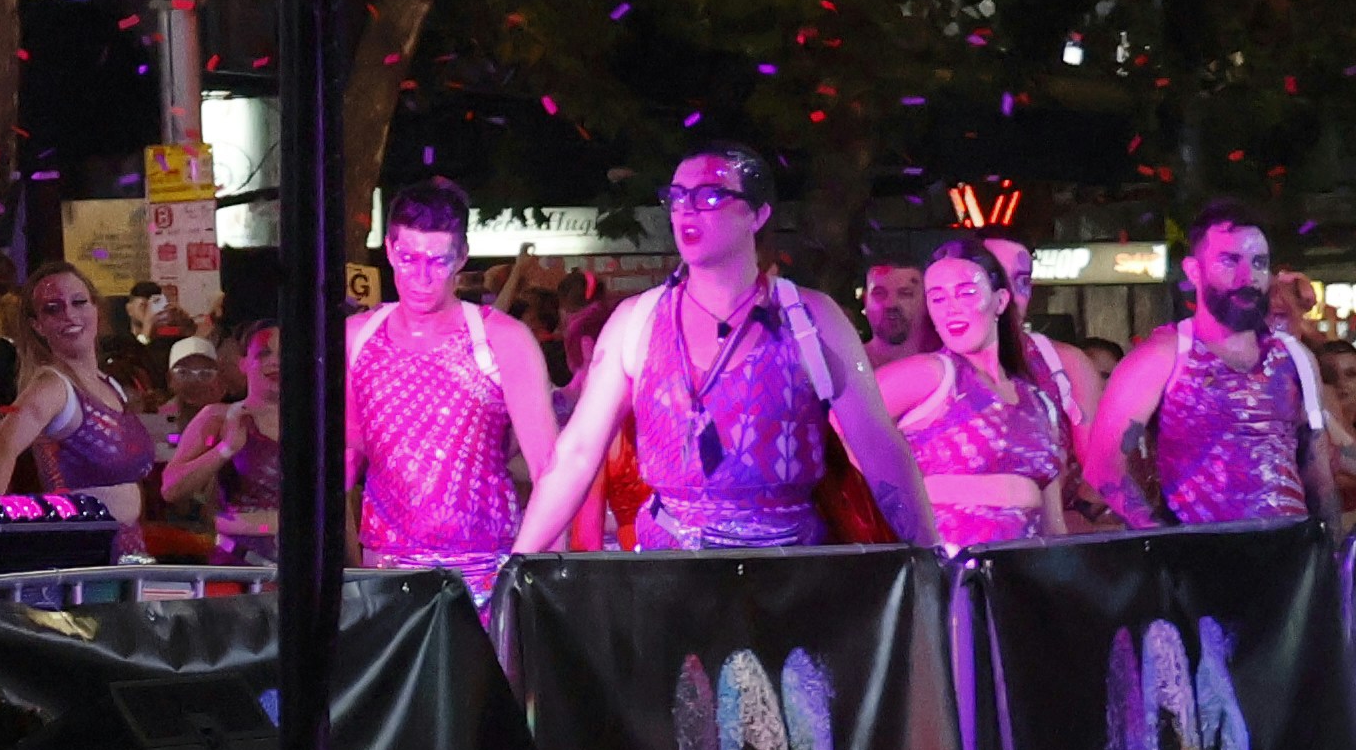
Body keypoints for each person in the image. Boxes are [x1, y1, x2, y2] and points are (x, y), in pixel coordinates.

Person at [511, 146, 936, 557]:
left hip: (790, 579)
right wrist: (522, 561)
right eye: (676, 198)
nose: (686, 210)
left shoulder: (812, 317)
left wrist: (928, 557)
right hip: (671, 579)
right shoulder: (636, 320)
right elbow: (578, 452)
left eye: (710, 196)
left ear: (758, 213)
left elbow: (879, 447)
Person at [1076, 204, 1348, 530]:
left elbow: (1318, 469)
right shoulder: (1162, 356)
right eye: (1229, 261)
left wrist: (1329, 556)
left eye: (1258, 263)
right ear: (1194, 271)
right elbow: (1103, 466)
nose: (1247, 278)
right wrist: (1159, 537)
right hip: (1199, 565)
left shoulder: (1296, 358)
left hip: (1288, 561)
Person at [349, 182, 561, 591]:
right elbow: (345, 456)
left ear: (462, 256)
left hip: (485, 570)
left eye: (438, 261)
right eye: (409, 258)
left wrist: (546, 584)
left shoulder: (503, 338)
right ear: (390, 250)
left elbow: (550, 471)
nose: (422, 277)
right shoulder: (357, 338)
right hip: (387, 571)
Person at [883, 228, 1081, 545]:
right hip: (948, 579)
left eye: (965, 293)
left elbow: (1054, 527)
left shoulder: (1039, 403)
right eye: (937, 298)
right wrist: (902, 493)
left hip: (1021, 578)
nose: (951, 307)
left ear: (1000, 300)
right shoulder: (930, 374)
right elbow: (841, 429)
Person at [0, 263, 158, 504]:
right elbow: (1, 448)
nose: (69, 314)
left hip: (127, 539)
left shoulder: (110, 384)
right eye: (52, 309)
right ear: (37, 325)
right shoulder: (52, 387)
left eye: (79, 302)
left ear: (96, 309)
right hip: (81, 539)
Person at [153, 322, 289, 554]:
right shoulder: (219, 417)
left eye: (284, 352)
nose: (274, 361)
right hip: (241, 558)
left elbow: (341, 503)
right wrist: (225, 449)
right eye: (263, 353)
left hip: (305, 557)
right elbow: (171, 488)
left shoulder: (316, 422)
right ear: (243, 363)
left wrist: (355, 572)